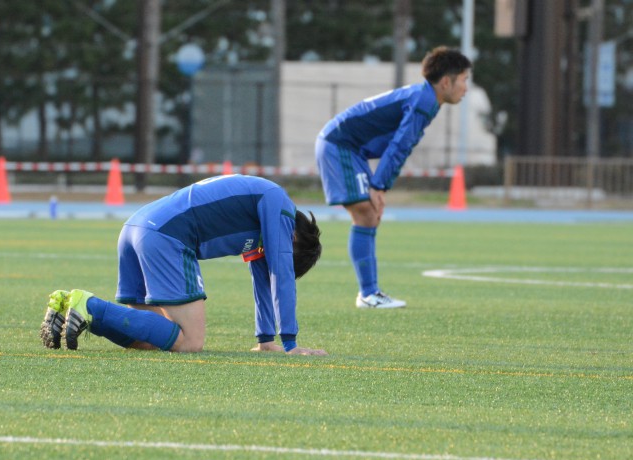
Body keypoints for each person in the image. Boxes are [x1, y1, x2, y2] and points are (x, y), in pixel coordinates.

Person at [40, 174, 327, 356]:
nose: (273, 256)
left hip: (136, 228)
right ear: (294, 238)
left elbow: (262, 276)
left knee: (148, 340)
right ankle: (89, 306)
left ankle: (72, 309)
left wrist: (266, 340)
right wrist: (291, 344)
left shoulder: (264, 226)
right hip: (166, 236)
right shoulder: (280, 204)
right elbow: (280, 273)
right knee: (190, 341)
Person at [315, 46, 472, 309]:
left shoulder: (426, 99)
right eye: (464, 80)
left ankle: (370, 293)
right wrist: (379, 185)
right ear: (446, 81)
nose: (466, 88)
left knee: (370, 214)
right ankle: (368, 294)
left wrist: (380, 186)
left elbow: (398, 145)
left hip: (350, 148)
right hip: (339, 145)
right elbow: (399, 146)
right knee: (365, 213)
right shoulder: (424, 101)